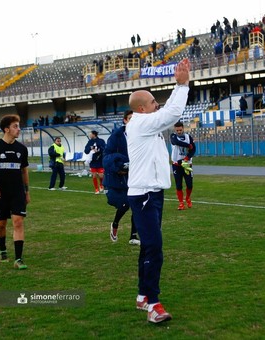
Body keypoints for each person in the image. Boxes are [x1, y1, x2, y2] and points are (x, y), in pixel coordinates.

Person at [126, 58, 190, 324]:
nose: (157, 104)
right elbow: (171, 115)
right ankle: (153, 304)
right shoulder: (140, 123)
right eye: (153, 102)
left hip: (153, 194)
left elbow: (166, 113)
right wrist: (182, 84)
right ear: (142, 109)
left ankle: (142, 295)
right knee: (154, 248)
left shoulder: (146, 123)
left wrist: (179, 85)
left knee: (148, 248)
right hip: (142, 195)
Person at [0, 114, 30, 270]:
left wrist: (27, 191)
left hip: (17, 192)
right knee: (1, 224)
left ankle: (18, 259)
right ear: (6, 129)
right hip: (1, 193)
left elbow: (24, 171)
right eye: (15, 126)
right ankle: (2, 249)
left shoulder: (21, 149)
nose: (19, 129)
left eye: (18, 126)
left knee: (18, 222)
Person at [103, 110, 140, 245]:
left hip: (136, 176)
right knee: (124, 205)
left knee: (136, 206)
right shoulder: (116, 136)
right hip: (119, 178)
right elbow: (107, 157)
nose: (133, 121)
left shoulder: (141, 134)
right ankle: (115, 224)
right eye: (130, 118)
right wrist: (119, 168)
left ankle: (133, 236)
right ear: (125, 120)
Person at [170, 121, 196, 211]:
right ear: (175, 129)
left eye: (180, 130)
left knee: (189, 184)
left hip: (186, 164)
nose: (179, 132)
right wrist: (188, 145)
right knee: (178, 185)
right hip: (176, 165)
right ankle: (181, 203)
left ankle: (188, 198)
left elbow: (193, 149)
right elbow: (176, 142)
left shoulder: (188, 137)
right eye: (177, 130)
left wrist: (187, 157)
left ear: (183, 128)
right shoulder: (173, 136)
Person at [84, 130, 106, 194]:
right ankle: (96, 189)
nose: (89, 135)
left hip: (99, 160)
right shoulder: (89, 142)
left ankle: (101, 185)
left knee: (101, 175)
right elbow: (86, 150)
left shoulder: (101, 141)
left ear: (94, 134)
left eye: (90, 134)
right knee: (94, 175)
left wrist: (98, 150)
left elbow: (104, 148)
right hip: (92, 161)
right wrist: (90, 148)